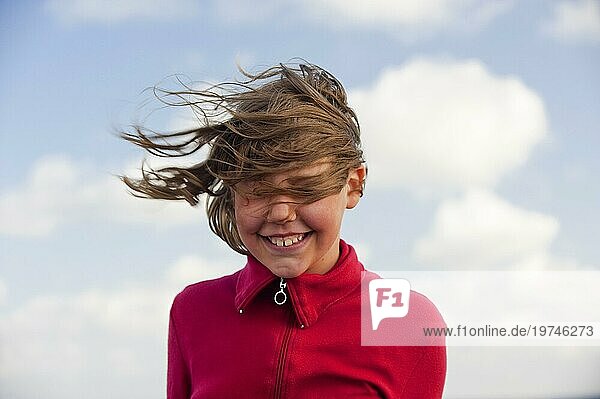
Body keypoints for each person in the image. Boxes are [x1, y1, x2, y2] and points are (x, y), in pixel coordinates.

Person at [119, 62, 446, 398]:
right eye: (257, 191)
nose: (279, 213)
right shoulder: (193, 311)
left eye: (305, 188)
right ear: (233, 195)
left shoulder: (407, 323)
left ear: (352, 185)